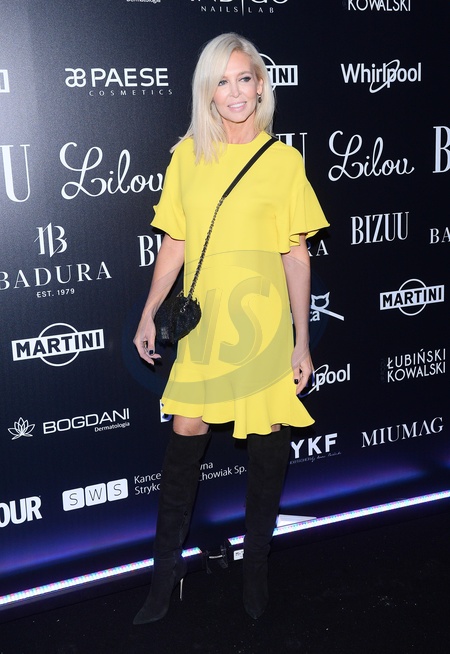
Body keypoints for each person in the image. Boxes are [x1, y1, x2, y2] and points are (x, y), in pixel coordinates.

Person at [133, 32, 329, 624]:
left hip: (264, 327)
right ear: (208, 92)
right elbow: (174, 243)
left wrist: (301, 340)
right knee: (185, 437)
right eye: (223, 81)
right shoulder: (186, 157)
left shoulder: (283, 161)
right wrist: (148, 310)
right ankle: (165, 574)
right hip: (204, 328)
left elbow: (296, 254)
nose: (235, 91)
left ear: (261, 86)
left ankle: (256, 567)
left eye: (245, 78)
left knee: (268, 443)